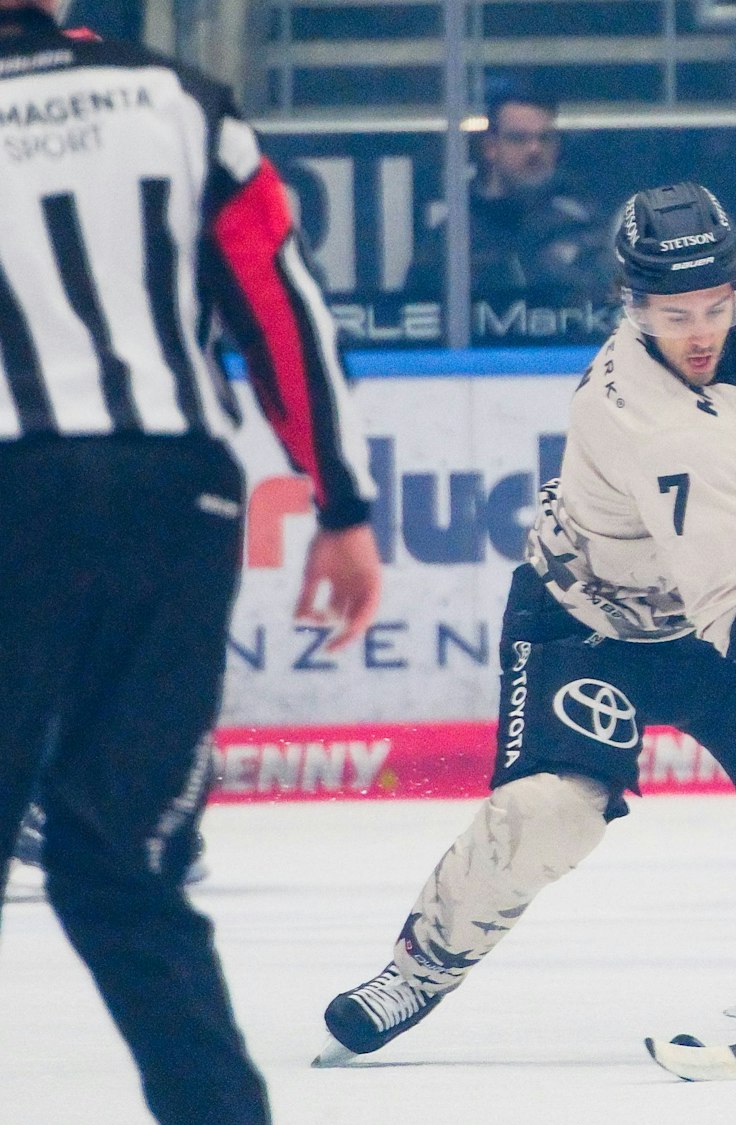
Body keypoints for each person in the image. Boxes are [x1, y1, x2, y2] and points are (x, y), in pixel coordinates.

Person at [314, 181, 736, 1064]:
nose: (700, 330)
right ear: (628, 303)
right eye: (672, 314)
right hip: (585, 620)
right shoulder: (639, 413)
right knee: (549, 813)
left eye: (715, 305)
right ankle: (420, 962)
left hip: (710, 618)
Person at [0, 0, 383, 1121]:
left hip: (13, 490)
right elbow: (280, 308)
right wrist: (343, 505)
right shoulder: (177, 100)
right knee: (120, 861)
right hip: (179, 496)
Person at [410, 82, 616, 311]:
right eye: (518, 139)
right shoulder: (453, 238)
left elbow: (610, 311)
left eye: (545, 139)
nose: (534, 150)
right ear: (490, 147)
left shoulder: (581, 229)